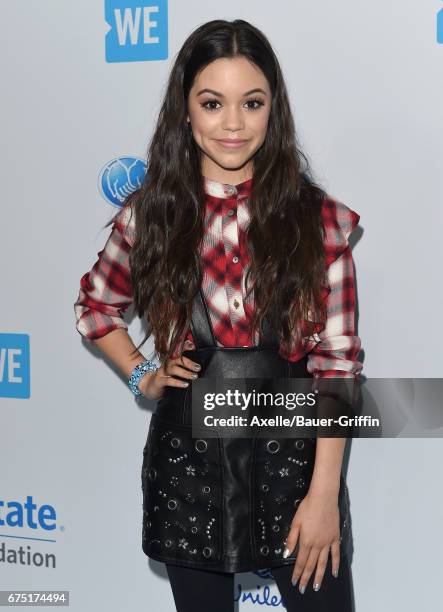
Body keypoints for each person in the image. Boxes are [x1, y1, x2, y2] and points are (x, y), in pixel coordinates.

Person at [74, 19, 362, 612]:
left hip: (295, 466)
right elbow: (97, 305)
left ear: (272, 110)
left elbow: (337, 368)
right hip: (190, 466)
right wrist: (141, 374)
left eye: (251, 103)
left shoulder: (319, 220)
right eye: (213, 103)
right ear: (185, 110)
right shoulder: (149, 214)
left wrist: (324, 492)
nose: (233, 123)